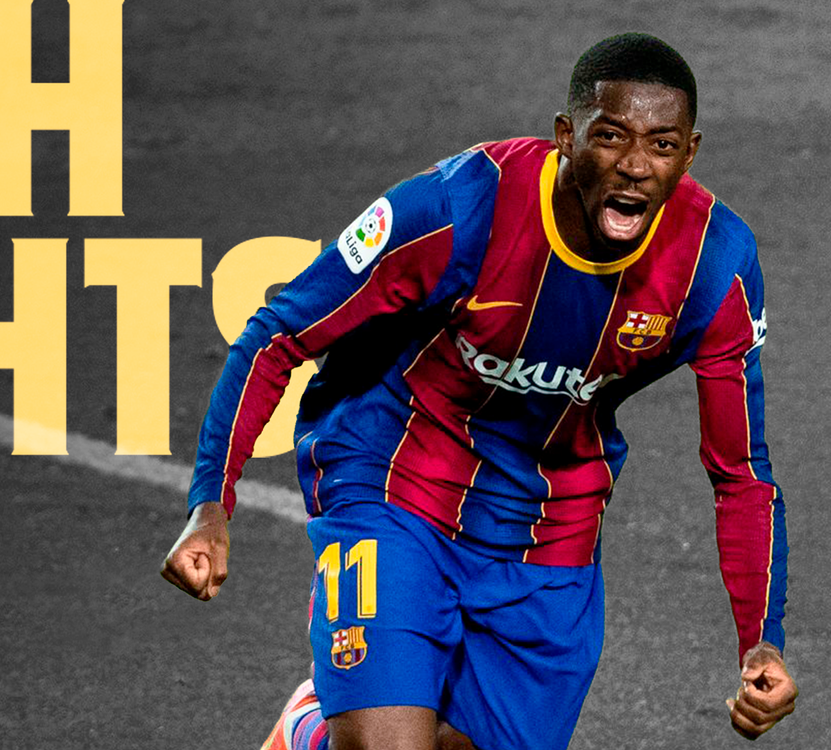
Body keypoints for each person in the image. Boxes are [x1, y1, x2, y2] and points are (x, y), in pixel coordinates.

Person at [161, 33, 797, 750]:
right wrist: (211, 503)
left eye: (662, 145)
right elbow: (280, 334)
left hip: (549, 525)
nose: (635, 165)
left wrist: (761, 640)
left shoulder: (715, 266)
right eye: (611, 136)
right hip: (396, 478)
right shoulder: (460, 207)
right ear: (566, 136)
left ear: (690, 154)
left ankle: (310, 729)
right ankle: (330, 724)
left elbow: (742, 473)